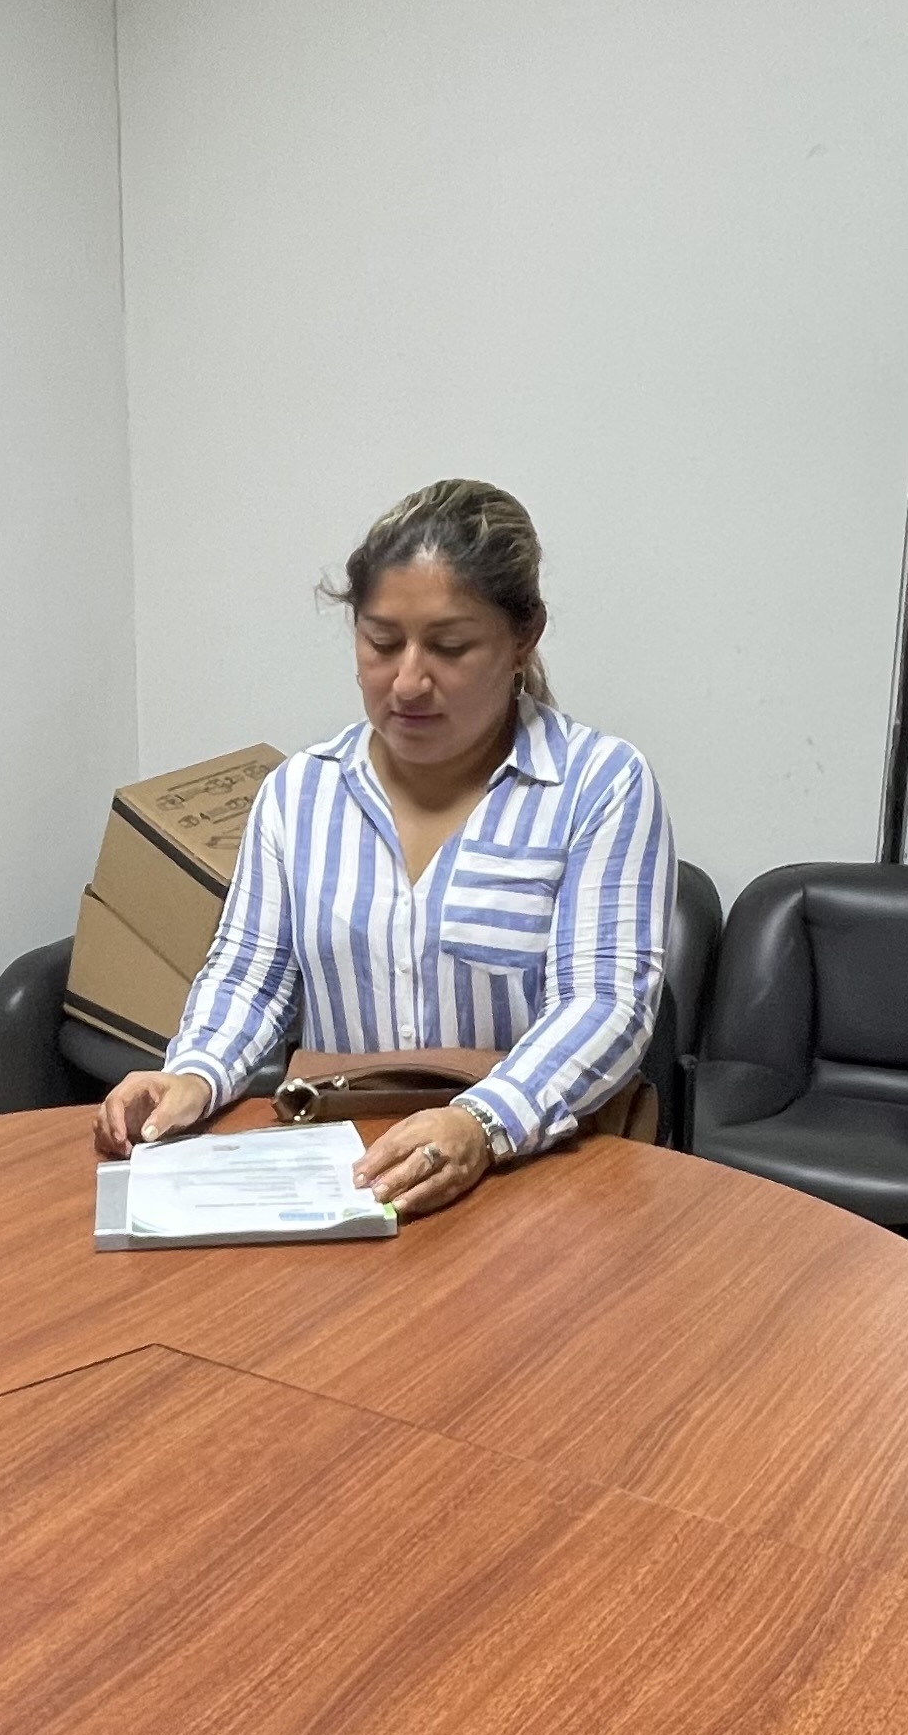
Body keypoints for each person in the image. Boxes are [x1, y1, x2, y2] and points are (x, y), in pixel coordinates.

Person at [94, 477, 673, 1220]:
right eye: (382, 642)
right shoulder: (300, 792)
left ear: (523, 637)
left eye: (450, 647)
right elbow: (249, 978)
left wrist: (481, 1123)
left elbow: (604, 1003)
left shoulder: (599, 784)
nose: (408, 681)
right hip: (352, 1174)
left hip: (529, 1173)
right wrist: (195, 1072)